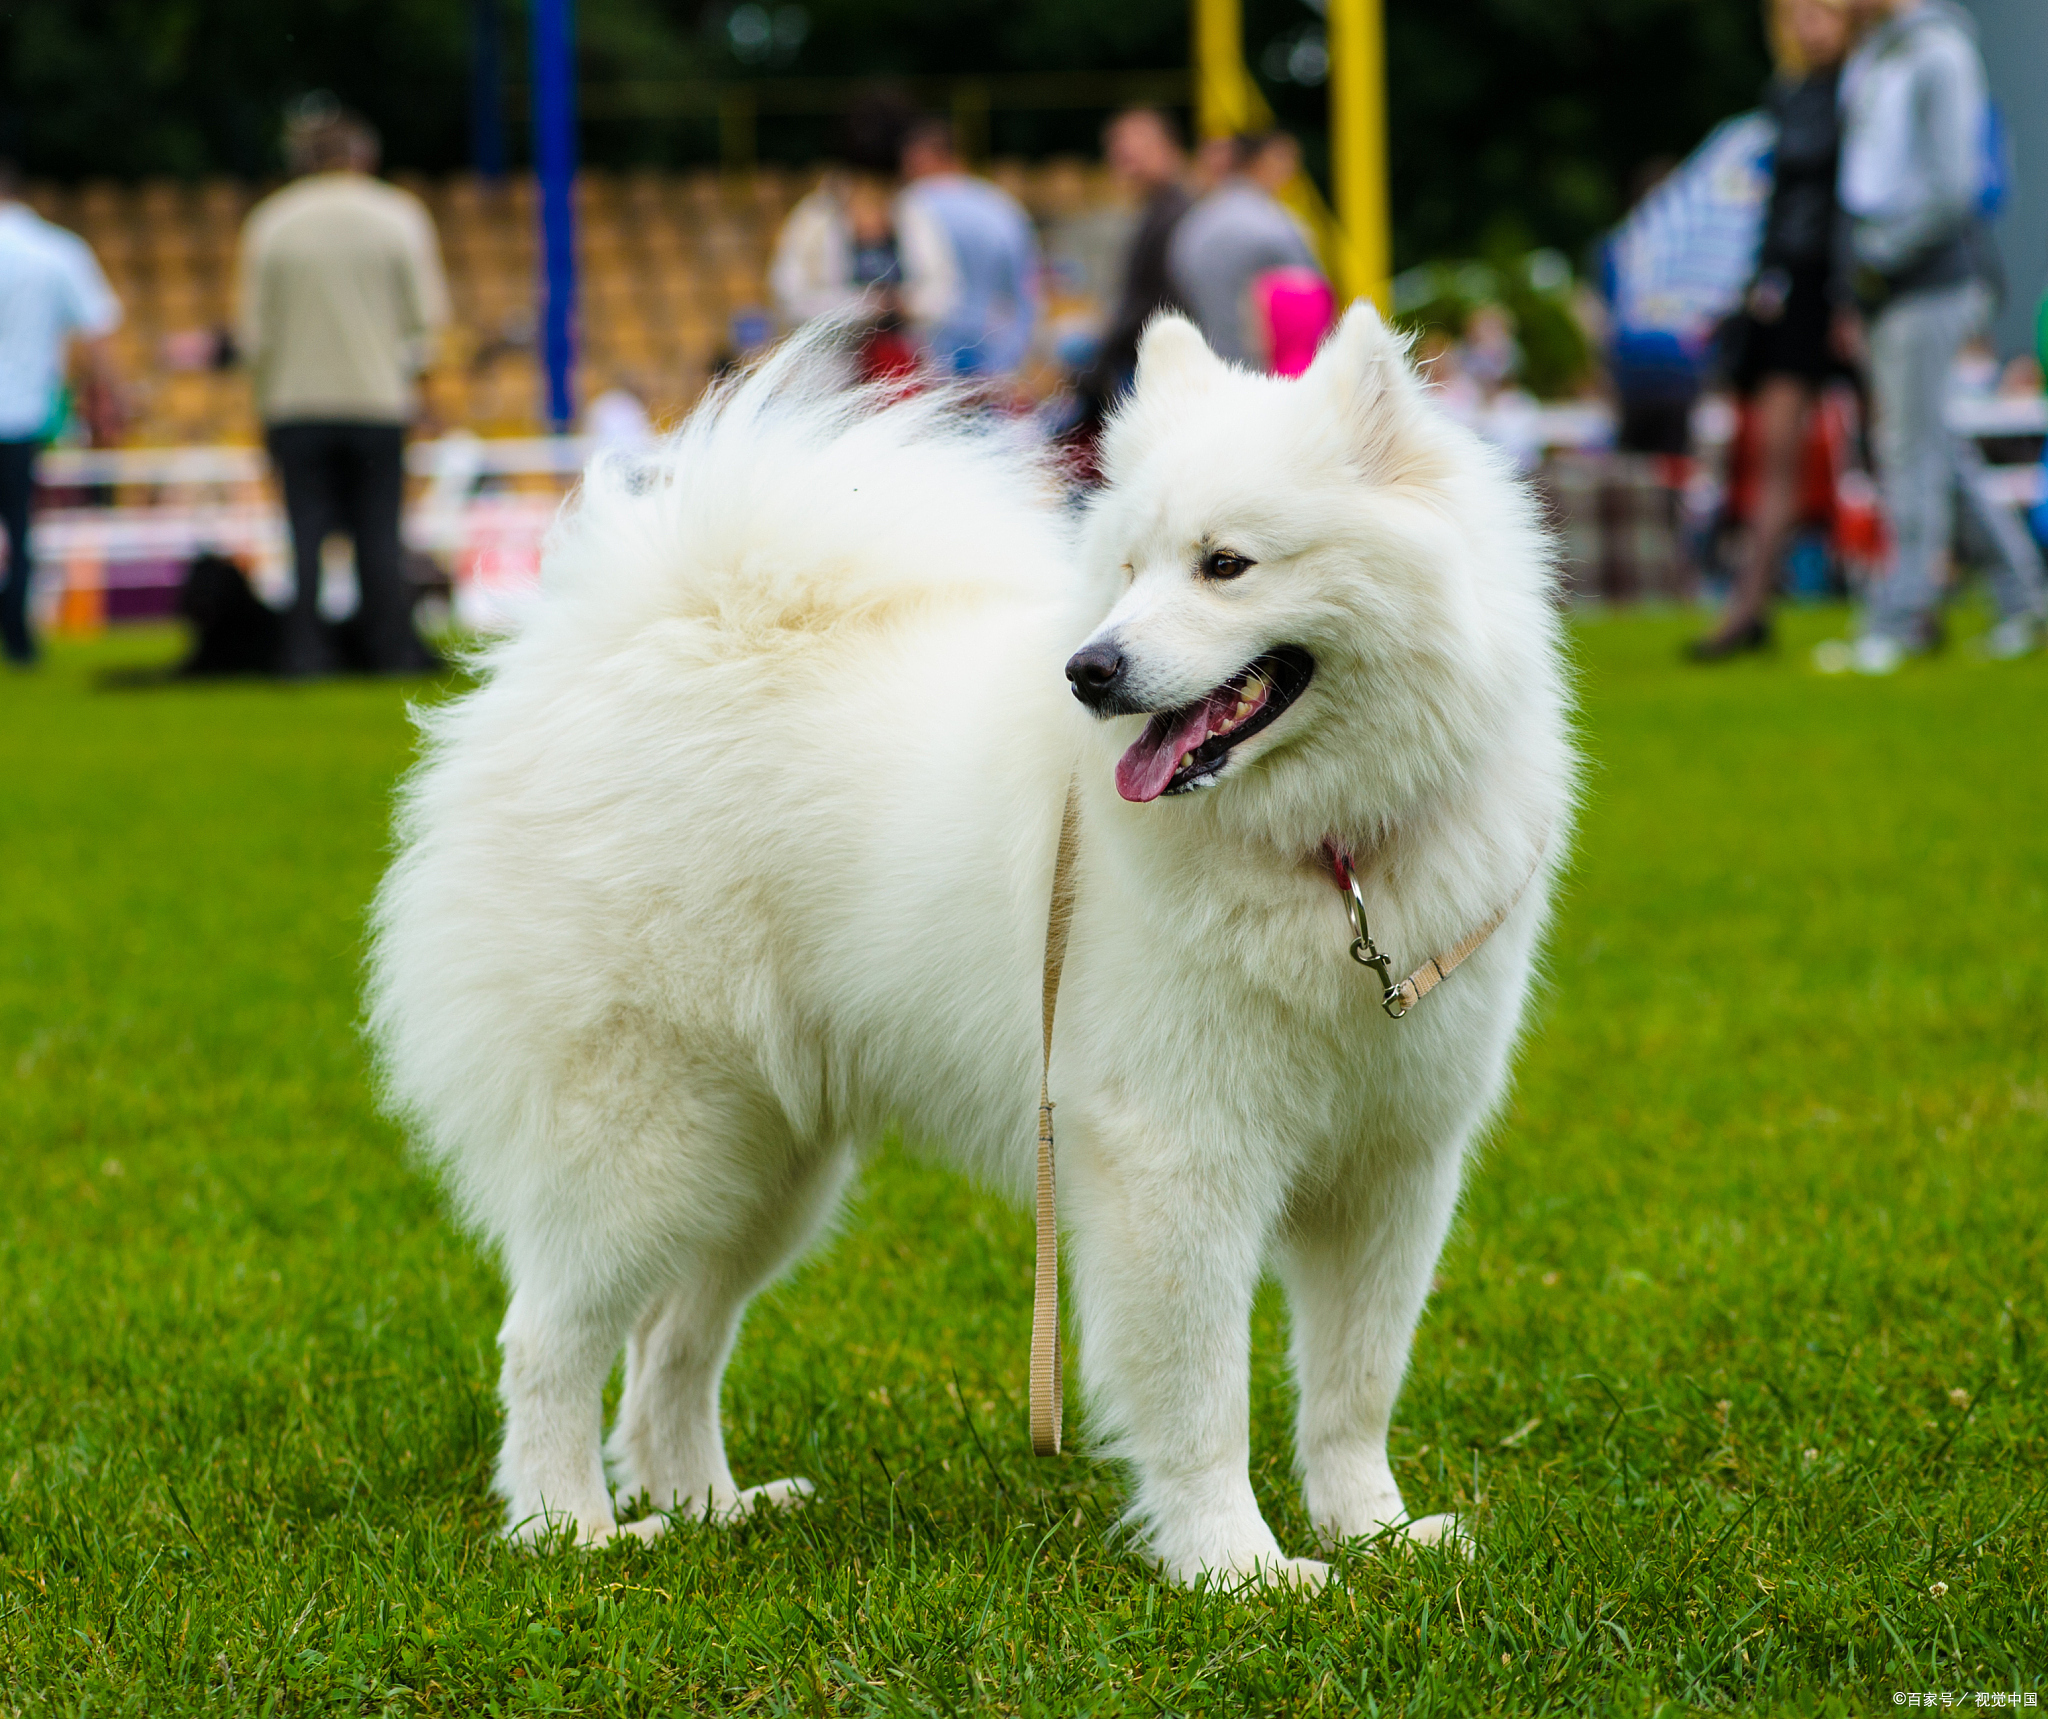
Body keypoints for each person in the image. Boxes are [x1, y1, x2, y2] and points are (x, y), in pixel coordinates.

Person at [1818, 0, 2044, 672]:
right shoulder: (1878, 53)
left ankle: (1904, 618)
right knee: (1931, 446)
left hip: (1932, 279)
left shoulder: (1941, 52)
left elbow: (1954, 185)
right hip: (1890, 285)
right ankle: (2024, 595)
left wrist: (1875, 256)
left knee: (1907, 450)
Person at [237, 104, 449, 676]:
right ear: (364, 156)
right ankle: (388, 652)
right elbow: (424, 324)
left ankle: (304, 655)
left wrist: (260, 410)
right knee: (379, 536)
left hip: (295, 405)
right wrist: (426, 399)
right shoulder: (398, 215)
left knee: (304, 537)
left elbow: (254, 334)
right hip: (377, 403)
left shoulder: (271, 222)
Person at [1689, 0, 1855, 661]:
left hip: (1841, 286)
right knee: (1769, 451)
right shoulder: (1788, 95)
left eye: (1823, 13)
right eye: (1799, 14)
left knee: (1910, 448)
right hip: (1791, 291)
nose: (1810, 26)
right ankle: (1749, 603)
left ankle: (1947, 592)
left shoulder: (1861, 92)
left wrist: (1848, 297)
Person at [0, 157, 122, 667]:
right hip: (23, 411)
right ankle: (18, 638)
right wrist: (112, 394)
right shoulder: (56, 249)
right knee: (19, 526)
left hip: (24, 406)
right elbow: (97, 329)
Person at [768, 99, 956, 379]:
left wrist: (906, 305)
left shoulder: (915, 215)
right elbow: (790, 299)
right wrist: (865, 308)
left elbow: (945, 294)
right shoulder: (815, 218)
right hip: (831, 377)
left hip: (905, 374)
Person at [898, 118, 1041, 383]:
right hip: (997, 352)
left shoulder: (912, 204)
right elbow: (1025, 289)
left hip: (929, 355)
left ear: (921, 158)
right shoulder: (1000, 205)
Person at [1074, 108, 1193, 423]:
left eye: (1132, 150)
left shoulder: (1173, 213)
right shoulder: (1160, 208)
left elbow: (1150, 300)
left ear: (1167, 146)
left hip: (1156, 361)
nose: (1119, 157)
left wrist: (1102, 360)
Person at [1167, 131, 1320, 367]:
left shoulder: (1194, 223)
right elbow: (1311, 301)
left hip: (1208, 362)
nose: (1292, 171)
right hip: (1266, 369)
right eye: (1284, 160)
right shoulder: (1276, 225)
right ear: (1259, 161)